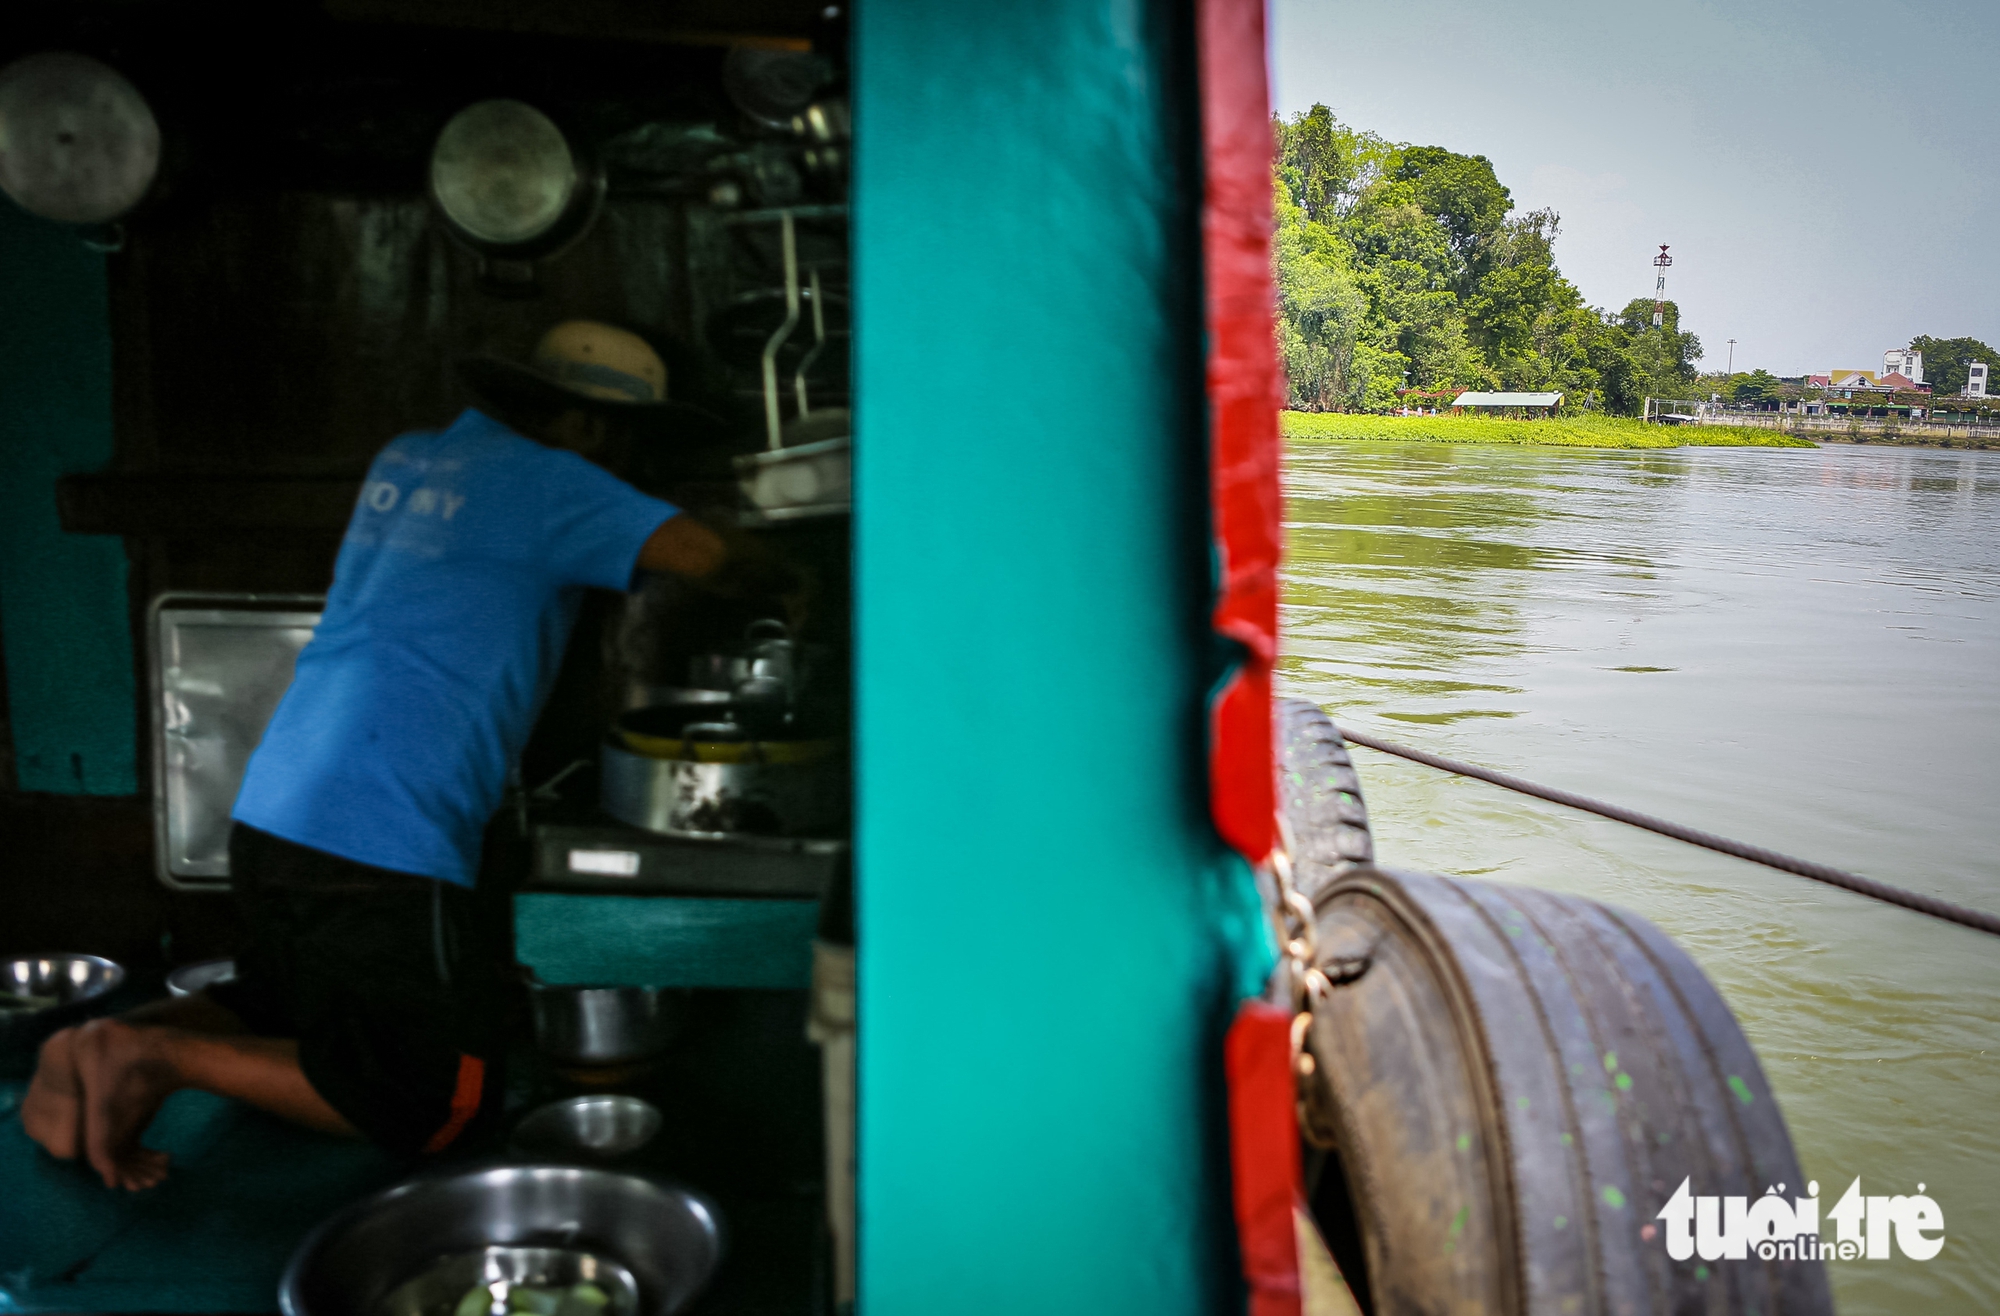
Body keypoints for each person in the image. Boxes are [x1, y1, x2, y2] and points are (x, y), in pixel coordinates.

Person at [21, 321, 794, 1190]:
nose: (631, 475)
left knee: (296, 1009)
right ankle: (153, 1053)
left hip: (275, 809)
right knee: (439, 1105)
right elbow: (719, 562)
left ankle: (87, 1046)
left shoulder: (417, 457)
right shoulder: (554, 481)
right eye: (633, 447)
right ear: (587, 427)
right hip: (382, 839)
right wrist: (805, 573)